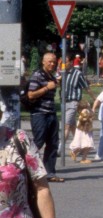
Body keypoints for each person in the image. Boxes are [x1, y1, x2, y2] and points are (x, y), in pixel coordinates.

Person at [20, 53, 64, 183]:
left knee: (53, 143)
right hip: (39, 114)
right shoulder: (37, 75)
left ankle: (50, 172)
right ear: (43, 62)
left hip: (51, 113)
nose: (52, 64)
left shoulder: (50, 76)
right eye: (49, 62)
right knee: (38, 142)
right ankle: (24, 168)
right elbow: (31, 95)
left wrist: (55, 83)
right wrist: (46, 88)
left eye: (54, 62)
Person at [61, 56, 90, 147]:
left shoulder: (77, 74)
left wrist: (95, 98)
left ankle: (59, 148)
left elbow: (86, 87)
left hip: (73, 102)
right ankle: (79, 145)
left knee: (66, 126)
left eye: (65, 62)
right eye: (62, 63)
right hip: (64, 102)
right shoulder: (63, 73)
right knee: (73, 126)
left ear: (70, 62)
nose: (64, 65)